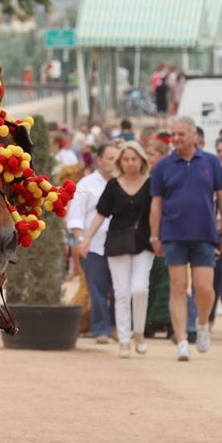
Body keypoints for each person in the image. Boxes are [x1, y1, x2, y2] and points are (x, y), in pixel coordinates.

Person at [149, 116, 222, 361]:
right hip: (173, 234)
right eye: (173, 135)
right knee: (177, 286)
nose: (175, 139)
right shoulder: (164, 166)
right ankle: (182, 339)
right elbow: (156, 204)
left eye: (180, 134)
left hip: (204, 233)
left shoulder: (211, 162)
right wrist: (155, 234)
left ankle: (203, 323)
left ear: (194, 136)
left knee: (204, 288)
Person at [79, 141, 155, 358]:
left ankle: (138, 332)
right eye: (126, 159)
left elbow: (157, 213)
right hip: (117, 242)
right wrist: (87, 239)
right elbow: (101, 213)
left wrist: (161, 237)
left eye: (134, 159)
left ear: (142, 161)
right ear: (120, 162)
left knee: (140, 289)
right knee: (121, 293)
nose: (131, 163)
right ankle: (124, 339)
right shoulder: (113, 185)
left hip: (144, 242)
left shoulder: (151, 184)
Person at [67, 143, 119, 345]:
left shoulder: (124, 183)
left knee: (120, 289)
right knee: (96, 288)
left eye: (117, 158)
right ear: (99, 160)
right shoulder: (86, 185)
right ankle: (101, 329)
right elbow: (76, 217)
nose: (113, 162)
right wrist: (81, 241)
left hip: (120, 245)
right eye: (110, 158)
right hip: (93, 246)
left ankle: (118, 327)